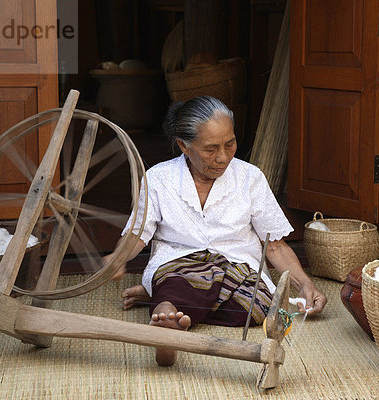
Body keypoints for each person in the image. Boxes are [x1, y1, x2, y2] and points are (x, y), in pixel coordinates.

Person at [106, 96, 326, 366]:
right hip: (179, 263)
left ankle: (167, 304)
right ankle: (167, 312)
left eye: (230, 144)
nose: (223, 157)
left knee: (257, 308)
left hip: (238, 267)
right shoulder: (159, 178)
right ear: (184, 146)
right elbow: (138, 233)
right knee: (180, 279)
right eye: (211, 149)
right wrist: (118, 258)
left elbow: (275, 245)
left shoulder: (250, 177)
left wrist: (306, 285)